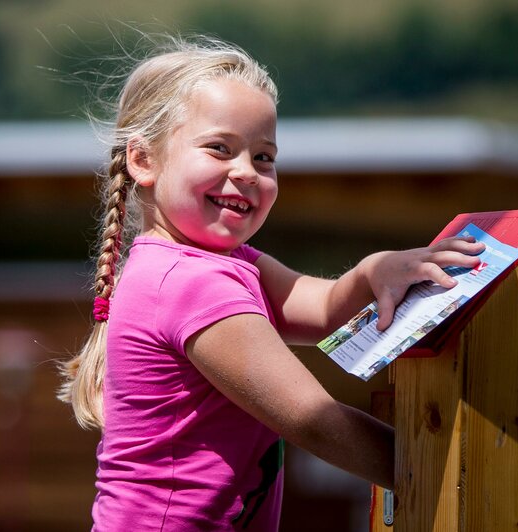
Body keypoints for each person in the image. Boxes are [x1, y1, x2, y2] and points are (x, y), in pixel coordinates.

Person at [58, 36, 485, 531]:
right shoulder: (189, 282)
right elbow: (313, 421)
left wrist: (374, 272)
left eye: (264, 157)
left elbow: (323, 307)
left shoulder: (227, 264)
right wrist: (443, 468)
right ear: (143, 161)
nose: (246, 172)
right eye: (220, 148)